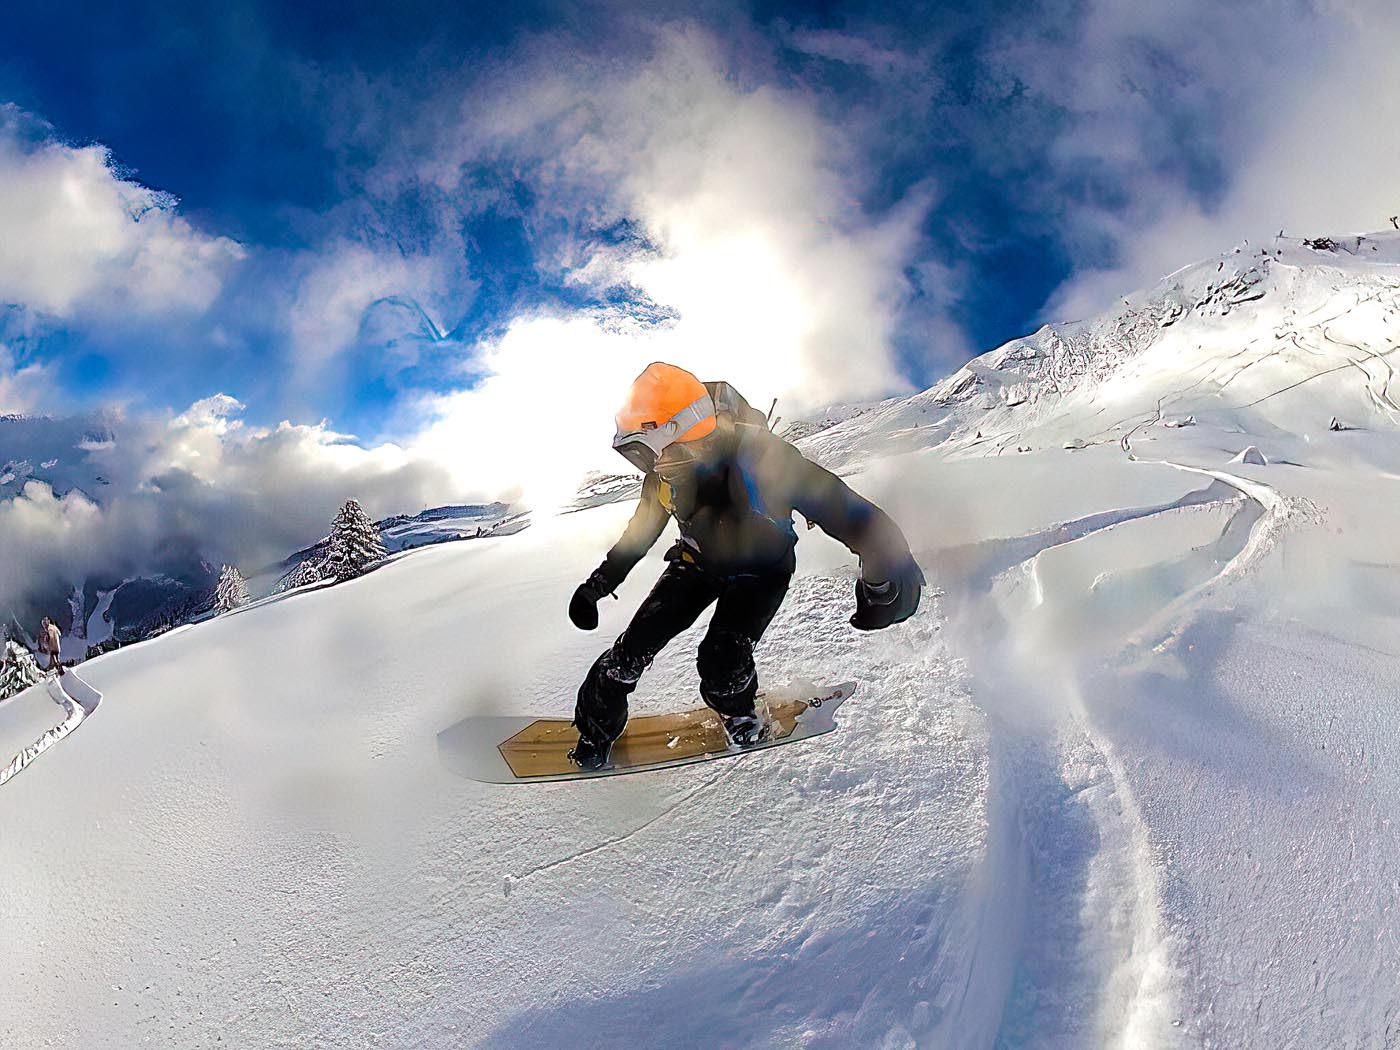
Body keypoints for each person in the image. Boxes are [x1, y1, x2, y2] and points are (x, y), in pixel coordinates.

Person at [566, 362, 924, 770]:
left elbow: (847, 511)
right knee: (623, 660)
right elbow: (638, 535)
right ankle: (594, 735)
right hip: (696, 566)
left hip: (761, 573)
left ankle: (741, 712)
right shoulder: (664, 476)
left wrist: (888, 571)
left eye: (644, 453)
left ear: (677, 434)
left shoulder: (763, 459)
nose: (647, 466)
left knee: (722, 660)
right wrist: (597, 586)